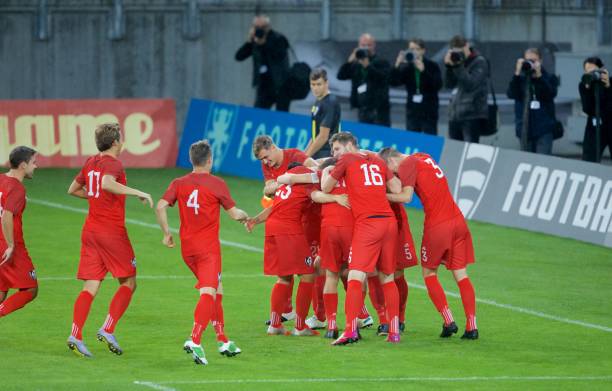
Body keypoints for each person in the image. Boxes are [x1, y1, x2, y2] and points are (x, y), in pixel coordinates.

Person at [155, 140, 248, 366]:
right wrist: (248, 217)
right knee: (208, 292)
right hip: (207, 249)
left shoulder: (179, 182)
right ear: (210, 160)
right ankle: (195, 339)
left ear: (191, 160)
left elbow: (160, 206)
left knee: (217, 288)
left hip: (188, 250)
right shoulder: (217, 183)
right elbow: (234, 214)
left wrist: (167, 233)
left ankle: (223, 340)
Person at [66, 123, 154, 358]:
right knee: (129, 283)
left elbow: (72, 189)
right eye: (121, 138)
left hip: (91, 231)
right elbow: (105, 183)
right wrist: (138, 192)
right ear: (115, 142)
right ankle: (107, 329)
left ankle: (75, 335)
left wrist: (95, 198)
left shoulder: (91, 161)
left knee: (90, 287)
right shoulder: (113, 163)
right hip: (111, 233)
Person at [379, 147, 478, 340]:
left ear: (391, 161)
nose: (394, 175)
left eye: (390, 171)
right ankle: (472, 326)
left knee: (429, 274)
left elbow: (405, 197)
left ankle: (449, 321)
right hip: (458, 221)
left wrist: (378, 196)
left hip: (438, 226)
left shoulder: (407, 164)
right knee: (461, 275)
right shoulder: (424, 156)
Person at [276, 158, 375, 339]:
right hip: (352, 228)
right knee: (356, 275)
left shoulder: (325, 174)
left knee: (331, 275)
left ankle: (331, 325)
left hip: (329, 229)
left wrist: (331, 196)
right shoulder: (356, 175)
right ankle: (355, 322)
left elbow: (298, 186)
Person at [321, 132, 402, 345]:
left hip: (368, 224)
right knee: (387, 278)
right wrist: (374, 193)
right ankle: (394, 332)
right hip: (389, 222)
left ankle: (350, 331)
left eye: (337, 149)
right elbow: (396, 188)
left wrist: (330, 170)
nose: (334, 154)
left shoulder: (346, 160)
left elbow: (326, 187)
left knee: (355, 277)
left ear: (349, 146)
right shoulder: (376, 160)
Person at [245, 163, 319, 337]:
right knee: (307, 274)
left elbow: (274, 207)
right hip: (289, 230)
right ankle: (300, 327)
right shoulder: (306, 179)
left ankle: (275, 324)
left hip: (273, 228)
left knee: (284, 277)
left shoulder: (284, 185)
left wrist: (255, 220)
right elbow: (319, 195)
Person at [0, 146, 39, 318]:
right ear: (23, 165)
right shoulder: (17, 188)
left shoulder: (1, 179)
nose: (36, 166)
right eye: (33, 162)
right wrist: (10, 245)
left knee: (1, 290)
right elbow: (6, 215)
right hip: (9, 247)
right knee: (30, 289)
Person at [507, 48, 559, 155]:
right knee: (527, 161)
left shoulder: (549, 77)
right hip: (524, 128)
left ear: (540, 61)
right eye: (528, 61)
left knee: (543, 162)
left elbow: (550, 93)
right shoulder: (520, 80)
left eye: (534, 60)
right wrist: (517, 73)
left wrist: (539, 76)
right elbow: (511, 94)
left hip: (544, 129)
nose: (531, 63)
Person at [235, 15, 291, 112]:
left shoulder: (278, 38)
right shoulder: (254, 41)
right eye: (256, 27)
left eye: (263, 27)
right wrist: (249, 42)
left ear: (268, 27)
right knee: (258, 114)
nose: (260, 30)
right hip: (263, 86)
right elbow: (239, 56)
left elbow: (279, 55)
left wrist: (263, 44)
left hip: (281, 85)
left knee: (282, 117)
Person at [390, 38, 443, 134]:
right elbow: (394, 82)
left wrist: (423, 71)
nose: (413, 51)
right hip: (413, 110)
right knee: (412, 137)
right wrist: (397, 64)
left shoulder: (432, 65)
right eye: (410, 49)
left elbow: (438, 85)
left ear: (423, 50)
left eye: (416, 49)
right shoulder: (408, 67)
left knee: (429, 138)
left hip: (429, 110)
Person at [337, 33, 391, 126]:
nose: (366, 47)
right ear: (359, 46)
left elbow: (383, 78)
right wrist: (349, 61)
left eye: (368, 45)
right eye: (363, 45)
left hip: (378, 108)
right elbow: (341, 76)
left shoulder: (382, 61)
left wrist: (368, 66)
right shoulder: (356, 64)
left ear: (374, 45)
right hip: (362, 108)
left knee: (380, 134)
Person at [444, 35, 489, 143]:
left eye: (460, 51)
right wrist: (449, 67)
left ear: (467, 46)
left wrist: (458, 66)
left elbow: (471, 84)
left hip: (472, 114)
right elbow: (449, 84)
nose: (459, 55)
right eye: (455, 52)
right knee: (455, 151)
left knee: (469, 151)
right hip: (455, 114)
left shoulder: (479, 62)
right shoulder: (456, 63)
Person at [579, 56, 612, 162]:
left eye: (593, 70)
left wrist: (608, 87)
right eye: (587, 71)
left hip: (610, 124)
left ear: (602, 69)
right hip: (594, 126)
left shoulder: (610, 82)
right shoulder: (583, 84)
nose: (591, 73)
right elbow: (587, 108)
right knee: (589, 160)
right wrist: (588, 89)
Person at [306, 68, 341, 159]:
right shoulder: (319, 101)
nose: (315, 88)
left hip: (327, 154)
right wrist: (304, 153)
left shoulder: (330, 103)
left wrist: (305, 157)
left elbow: (323, 137)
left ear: (326, 83)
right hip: (318, 152)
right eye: (313, 84)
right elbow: (316, 135)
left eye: (319, 84)